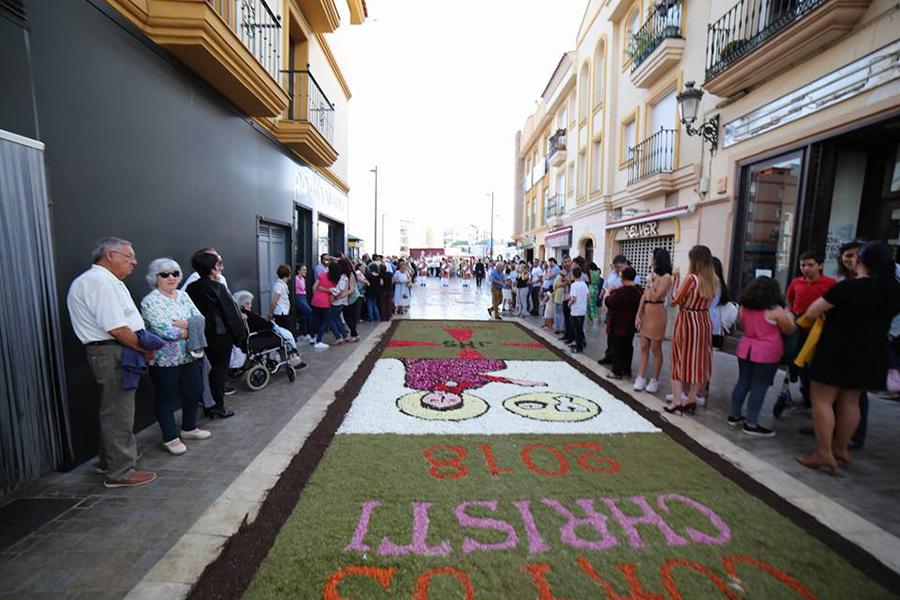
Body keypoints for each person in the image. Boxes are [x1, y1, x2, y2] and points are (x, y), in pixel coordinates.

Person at [796, 241, 900, 474]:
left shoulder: (849, 287)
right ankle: (841, 448)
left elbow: (813, 311)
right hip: (871, 352)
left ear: (861, 261)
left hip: (837, 349)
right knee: (851, 400)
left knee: (822, 399)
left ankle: (823, 453)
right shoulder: (890, 292)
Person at [67, 237, 158, 488]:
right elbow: (117, 328)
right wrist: (144, 350)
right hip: (113, 351)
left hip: (113, 351)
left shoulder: (104, 281)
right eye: (129, 256)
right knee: (119, 412)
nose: (134, 262)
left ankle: (110, 461)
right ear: (110, 255)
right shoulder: (100, 282)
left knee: (114, 410)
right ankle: (120, 472)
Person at [141, 258, 212, 455]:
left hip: (189, 354)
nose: (171, 277)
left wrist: (180, 323)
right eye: (165, 274)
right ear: (155, 278)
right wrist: (189, 327)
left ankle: (189, 428)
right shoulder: (150, 301)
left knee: (193, 391)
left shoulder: (183, 296)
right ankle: (170, 437)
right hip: (164, 360)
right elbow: (162, 328)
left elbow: (200, 319)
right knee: (167, 397)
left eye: (175, 273)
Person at [729, 277, 796, 437]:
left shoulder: (744, 309)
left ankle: (734, 415)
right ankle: (751, 423)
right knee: (759, 386)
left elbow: (742, 325)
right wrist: (790, 316)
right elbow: (789, 330)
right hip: (767, 351)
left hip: (745, 348)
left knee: (743, 382)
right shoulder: (776, 311)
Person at [186, 251, 247, 419]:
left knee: (206, 371)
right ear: (213, 269)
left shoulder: (191, 288)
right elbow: (231, 314)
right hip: (220, 335)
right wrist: (240, 336)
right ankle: (218, 407)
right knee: (220, 371)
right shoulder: (219, 287)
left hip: (199, 335)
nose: (221, 268)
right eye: (219, 265)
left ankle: (208, 404)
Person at [665, 245, 719, 415]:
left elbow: (674, 300)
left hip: (687, 321)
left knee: (679, 360)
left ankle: (676, 401)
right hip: (703, 321)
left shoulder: (691, 279)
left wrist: (675, 281)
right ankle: (690, 400)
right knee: (699, 361)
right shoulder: (714, 280)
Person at [785, 251, 837, 407]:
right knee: (798, 361)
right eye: (803, 265)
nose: (806, 268)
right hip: (799, 326)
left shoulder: (830, 283)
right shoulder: (796, 282)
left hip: (820, 328)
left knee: (813, 363)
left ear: (820, 265)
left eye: (810, 265)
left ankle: (818, 398)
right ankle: (806, 393)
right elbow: (789, 299)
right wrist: (789, 313)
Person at [634, 248, 673, 394]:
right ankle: (641, 376)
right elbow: (645, 296)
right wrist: (638, 314)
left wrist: (651, 283)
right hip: (647, 310)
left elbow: (657, 296)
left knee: (655, 347)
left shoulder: (666, 278)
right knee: (643, 345)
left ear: (658, 259)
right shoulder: (653, 275)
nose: (650, 259)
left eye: (652, 257)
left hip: (657, 312)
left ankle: (654, 380)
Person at [233, 290, 305, 367]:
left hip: (259, 333)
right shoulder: (248, 315)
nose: (250, 305)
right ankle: (294, 357)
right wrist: (270, 323)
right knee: (288, 336)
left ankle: (291, 356)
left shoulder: (241, 314)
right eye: (248, 303)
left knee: (287, 335)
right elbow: (261, 324)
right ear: (243, 305)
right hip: (263, 333)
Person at [604, 267, 643, 377]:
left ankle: (617, 371)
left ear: (623, 277)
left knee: (617, 347)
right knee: (628, 346)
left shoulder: (621, 292)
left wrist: (607, 293)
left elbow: (610, 303)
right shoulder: (638, 291)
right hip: (631, 324)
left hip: (618, 324)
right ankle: (627, 369)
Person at [598, 255, 628, 365]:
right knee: (610, 333)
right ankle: (609, 355)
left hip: (622, 307)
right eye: (615, 267)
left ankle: (620, 360)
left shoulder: (629, 275)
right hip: (611, 303)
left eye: (618, 267)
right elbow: (607, 284)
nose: (617, 269)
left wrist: (616, 289)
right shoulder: (613, 273)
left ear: (624, 264)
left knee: (620, 336)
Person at [568, 266, 590, 353]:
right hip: (582, 309)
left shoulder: (573, 285)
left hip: (575, 310)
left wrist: (569, 304)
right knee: (580, 328)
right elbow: (588, 296)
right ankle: (580, 344)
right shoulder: (584, 284)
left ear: (573, 275)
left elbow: (573, 298)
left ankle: (578, 346)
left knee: (576, 329)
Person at [269, 264, 295, 336]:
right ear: (288, 274)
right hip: (281, 313)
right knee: (287, 333)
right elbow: (274, 301)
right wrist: (270, 313)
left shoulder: (282, 284)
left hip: (283, 312)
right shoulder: (279, 286)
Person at [294, 265, 312, 342]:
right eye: (303, 270)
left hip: (303, 297)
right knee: (309, 312)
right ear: (299, 271)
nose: (305, 271)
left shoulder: (303, 279)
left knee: (304, 314)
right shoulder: (296, 279)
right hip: (298, 297)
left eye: (306, 270)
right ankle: (298, 322)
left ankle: (304, 333)